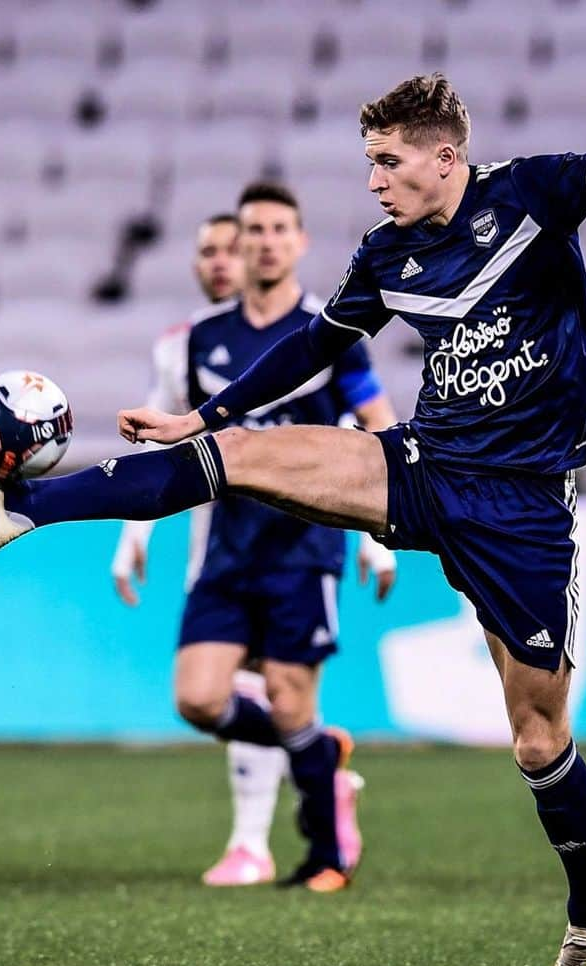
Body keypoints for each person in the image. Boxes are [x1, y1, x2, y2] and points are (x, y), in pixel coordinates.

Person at [0, 73, 586, 966]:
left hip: (524, 508)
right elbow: (318, 343)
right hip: (427, 467)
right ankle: (18, 513)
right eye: (370, 163)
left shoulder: (530, 192)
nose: (374, 181)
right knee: (235, 454)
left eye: (388, 162)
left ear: (446, 158)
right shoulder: (389, 253)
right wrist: (205, 412)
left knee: (535, 739)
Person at [112, 187, 397, 888]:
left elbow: (378, 426)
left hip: (305, 548)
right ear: (238, 245)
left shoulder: (329, 332)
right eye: (253, 231)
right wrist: (135, 531)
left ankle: (326, 859)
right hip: (227, 549)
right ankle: (319, 757)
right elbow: (170, 443)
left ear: (300, 242)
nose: (265, 242)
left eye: (279, 230)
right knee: (200, 700)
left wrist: (380, 531)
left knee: (291, 695)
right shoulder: (202, 339)